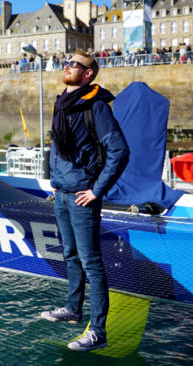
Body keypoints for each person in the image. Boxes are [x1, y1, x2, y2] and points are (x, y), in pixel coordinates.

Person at [40, 49, 129, 352]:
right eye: (67, 62)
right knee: (70, 254)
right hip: (62, 194)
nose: (67, 66)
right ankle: (73, 309)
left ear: (88, 73)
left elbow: (119, 150)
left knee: (92, 263)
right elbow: (58, 149)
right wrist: (57, 184)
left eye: (75, 64)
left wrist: (97, 190)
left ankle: (99, 331)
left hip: (82, 197)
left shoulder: (96, 106)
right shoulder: (63, 103)